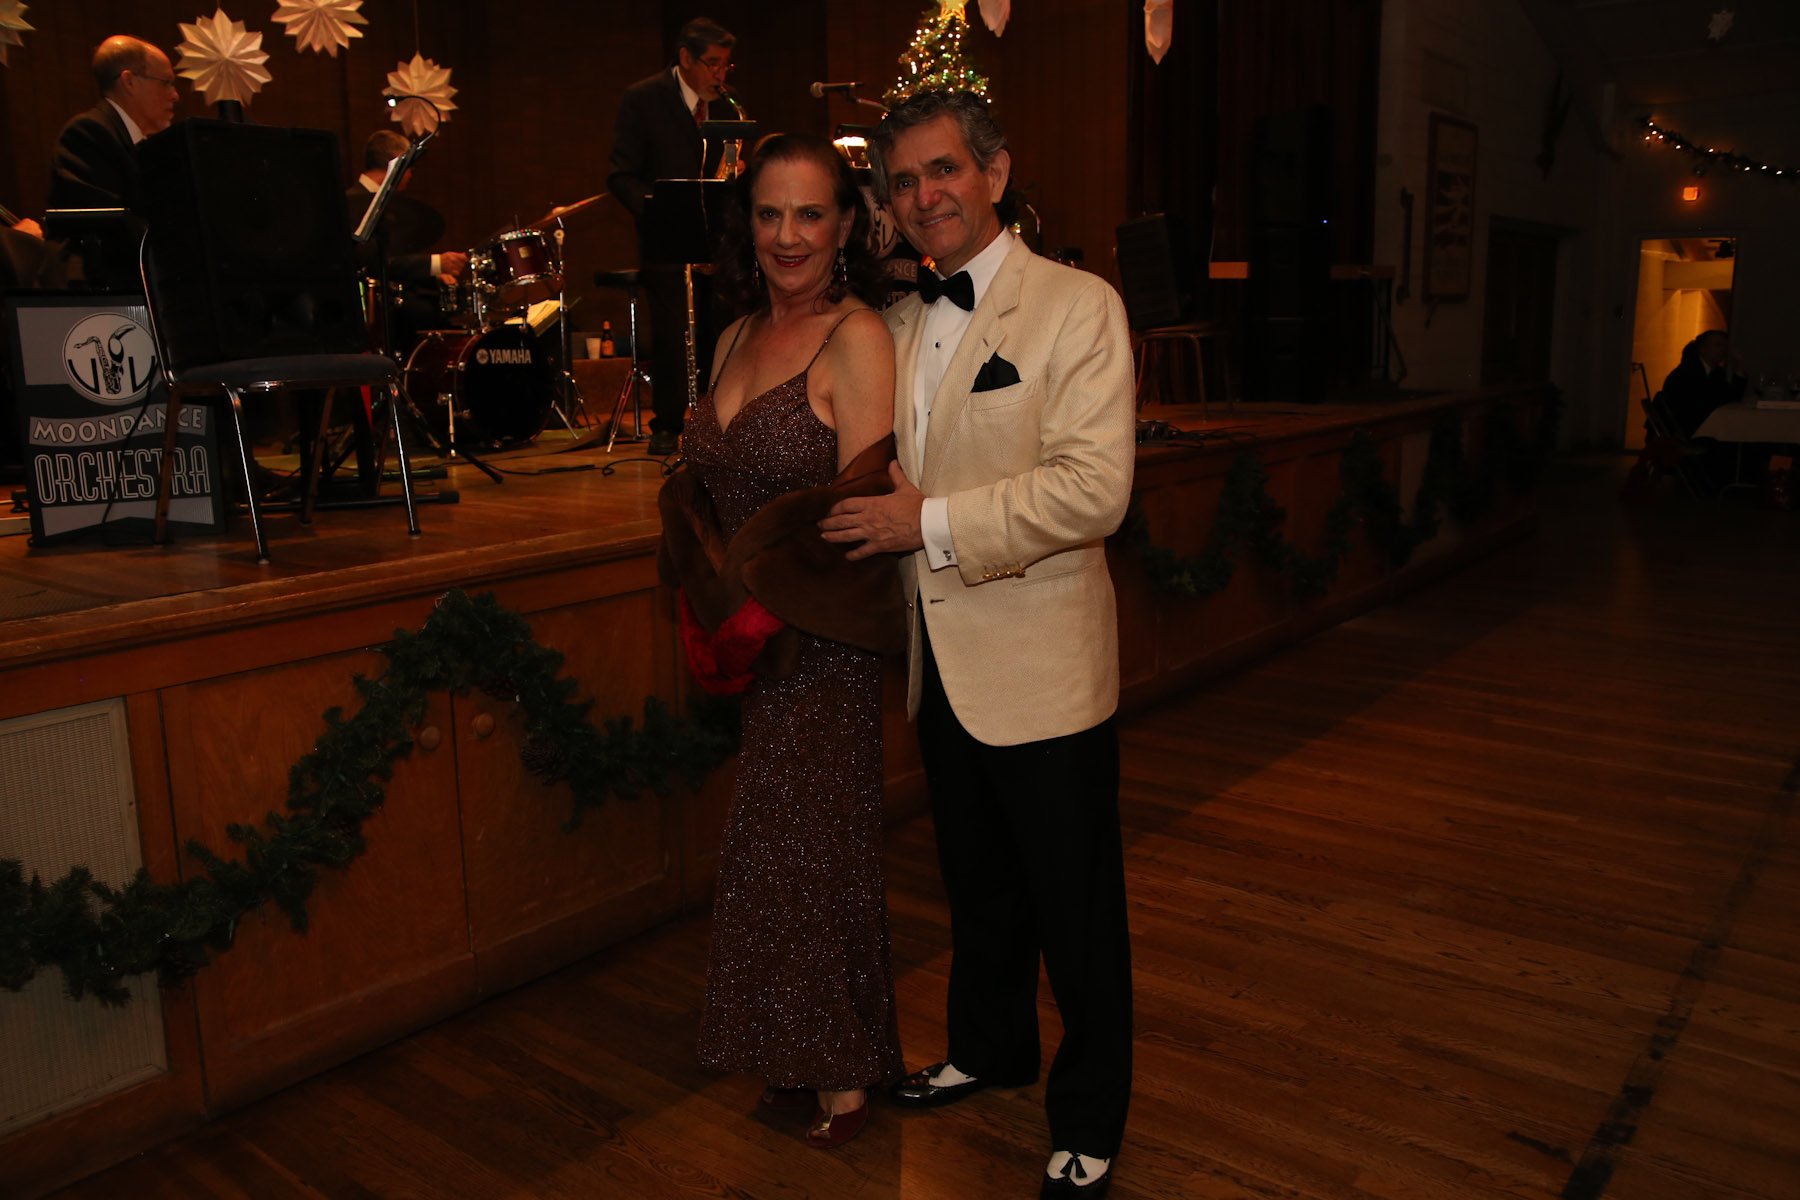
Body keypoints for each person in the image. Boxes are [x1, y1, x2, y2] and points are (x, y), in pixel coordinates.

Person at [819, 91, 1138, 1198]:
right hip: (939, 664)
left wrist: (933, 523)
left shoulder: (1079, 306)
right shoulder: (896, 325)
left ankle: (1090, 1117)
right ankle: (988, 1047)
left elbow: (1094, 491)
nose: (926, 195)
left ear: (995, 175)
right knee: (980, 888)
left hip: (1045, 667)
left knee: (1075, 911)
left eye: (944, 169)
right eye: (904, 181)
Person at [658, 133, 903, 1150]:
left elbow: (860, 512)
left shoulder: (858, 337)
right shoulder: (732, 336)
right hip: (747, 643)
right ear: (746, 226)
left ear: (845, 226)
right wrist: (705, 600)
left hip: (821, 641)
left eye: (810, 214)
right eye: (769, 213)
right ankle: (796, 1052)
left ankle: (842, 1066)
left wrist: (760, 612)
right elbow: (701, 484)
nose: (788, 236)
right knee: (767, 853)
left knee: (810, 850)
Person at [607, 17, 742, 457]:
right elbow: (621, 174)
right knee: (671, 332)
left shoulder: (727, 108)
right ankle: (667, 423)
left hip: (716, 239)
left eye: (725, 65)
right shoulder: (643, 98)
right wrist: (658, 210)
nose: (719, 74)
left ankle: (717, 420)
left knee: (718, 328)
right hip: (666, 237)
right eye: (712, 64)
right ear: (685, 58)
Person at [346, 130, 469, 355]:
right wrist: (435, 264)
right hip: (366, 308)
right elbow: (371, 261)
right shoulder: (352, 204)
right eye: (410, 166)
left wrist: (433, 273)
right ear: (395, 163)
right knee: (427, 313)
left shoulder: (380, 202)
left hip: (388, 298)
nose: (411, 174)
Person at [49, 36, 179, 213]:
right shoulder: (87, 134)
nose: (175, 95)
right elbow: (107, 222)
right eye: (166, 83)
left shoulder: (144, 142)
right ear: (129, 82)